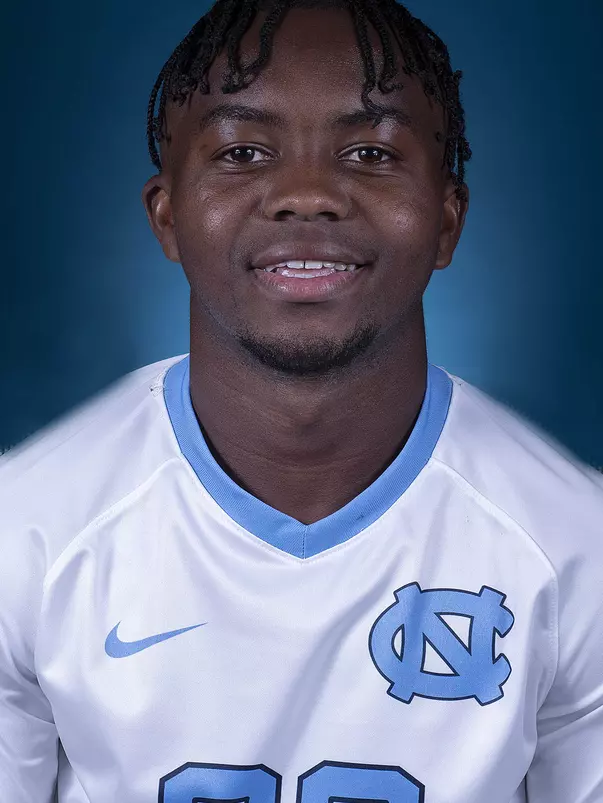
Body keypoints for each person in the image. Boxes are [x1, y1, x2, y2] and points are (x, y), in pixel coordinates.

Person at [1, 0, 602, 800]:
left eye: (368, 150)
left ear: (446, 220)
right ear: (167, 215)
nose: (308, 194)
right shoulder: (28, 532)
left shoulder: (573, 548)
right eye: (245, 150)